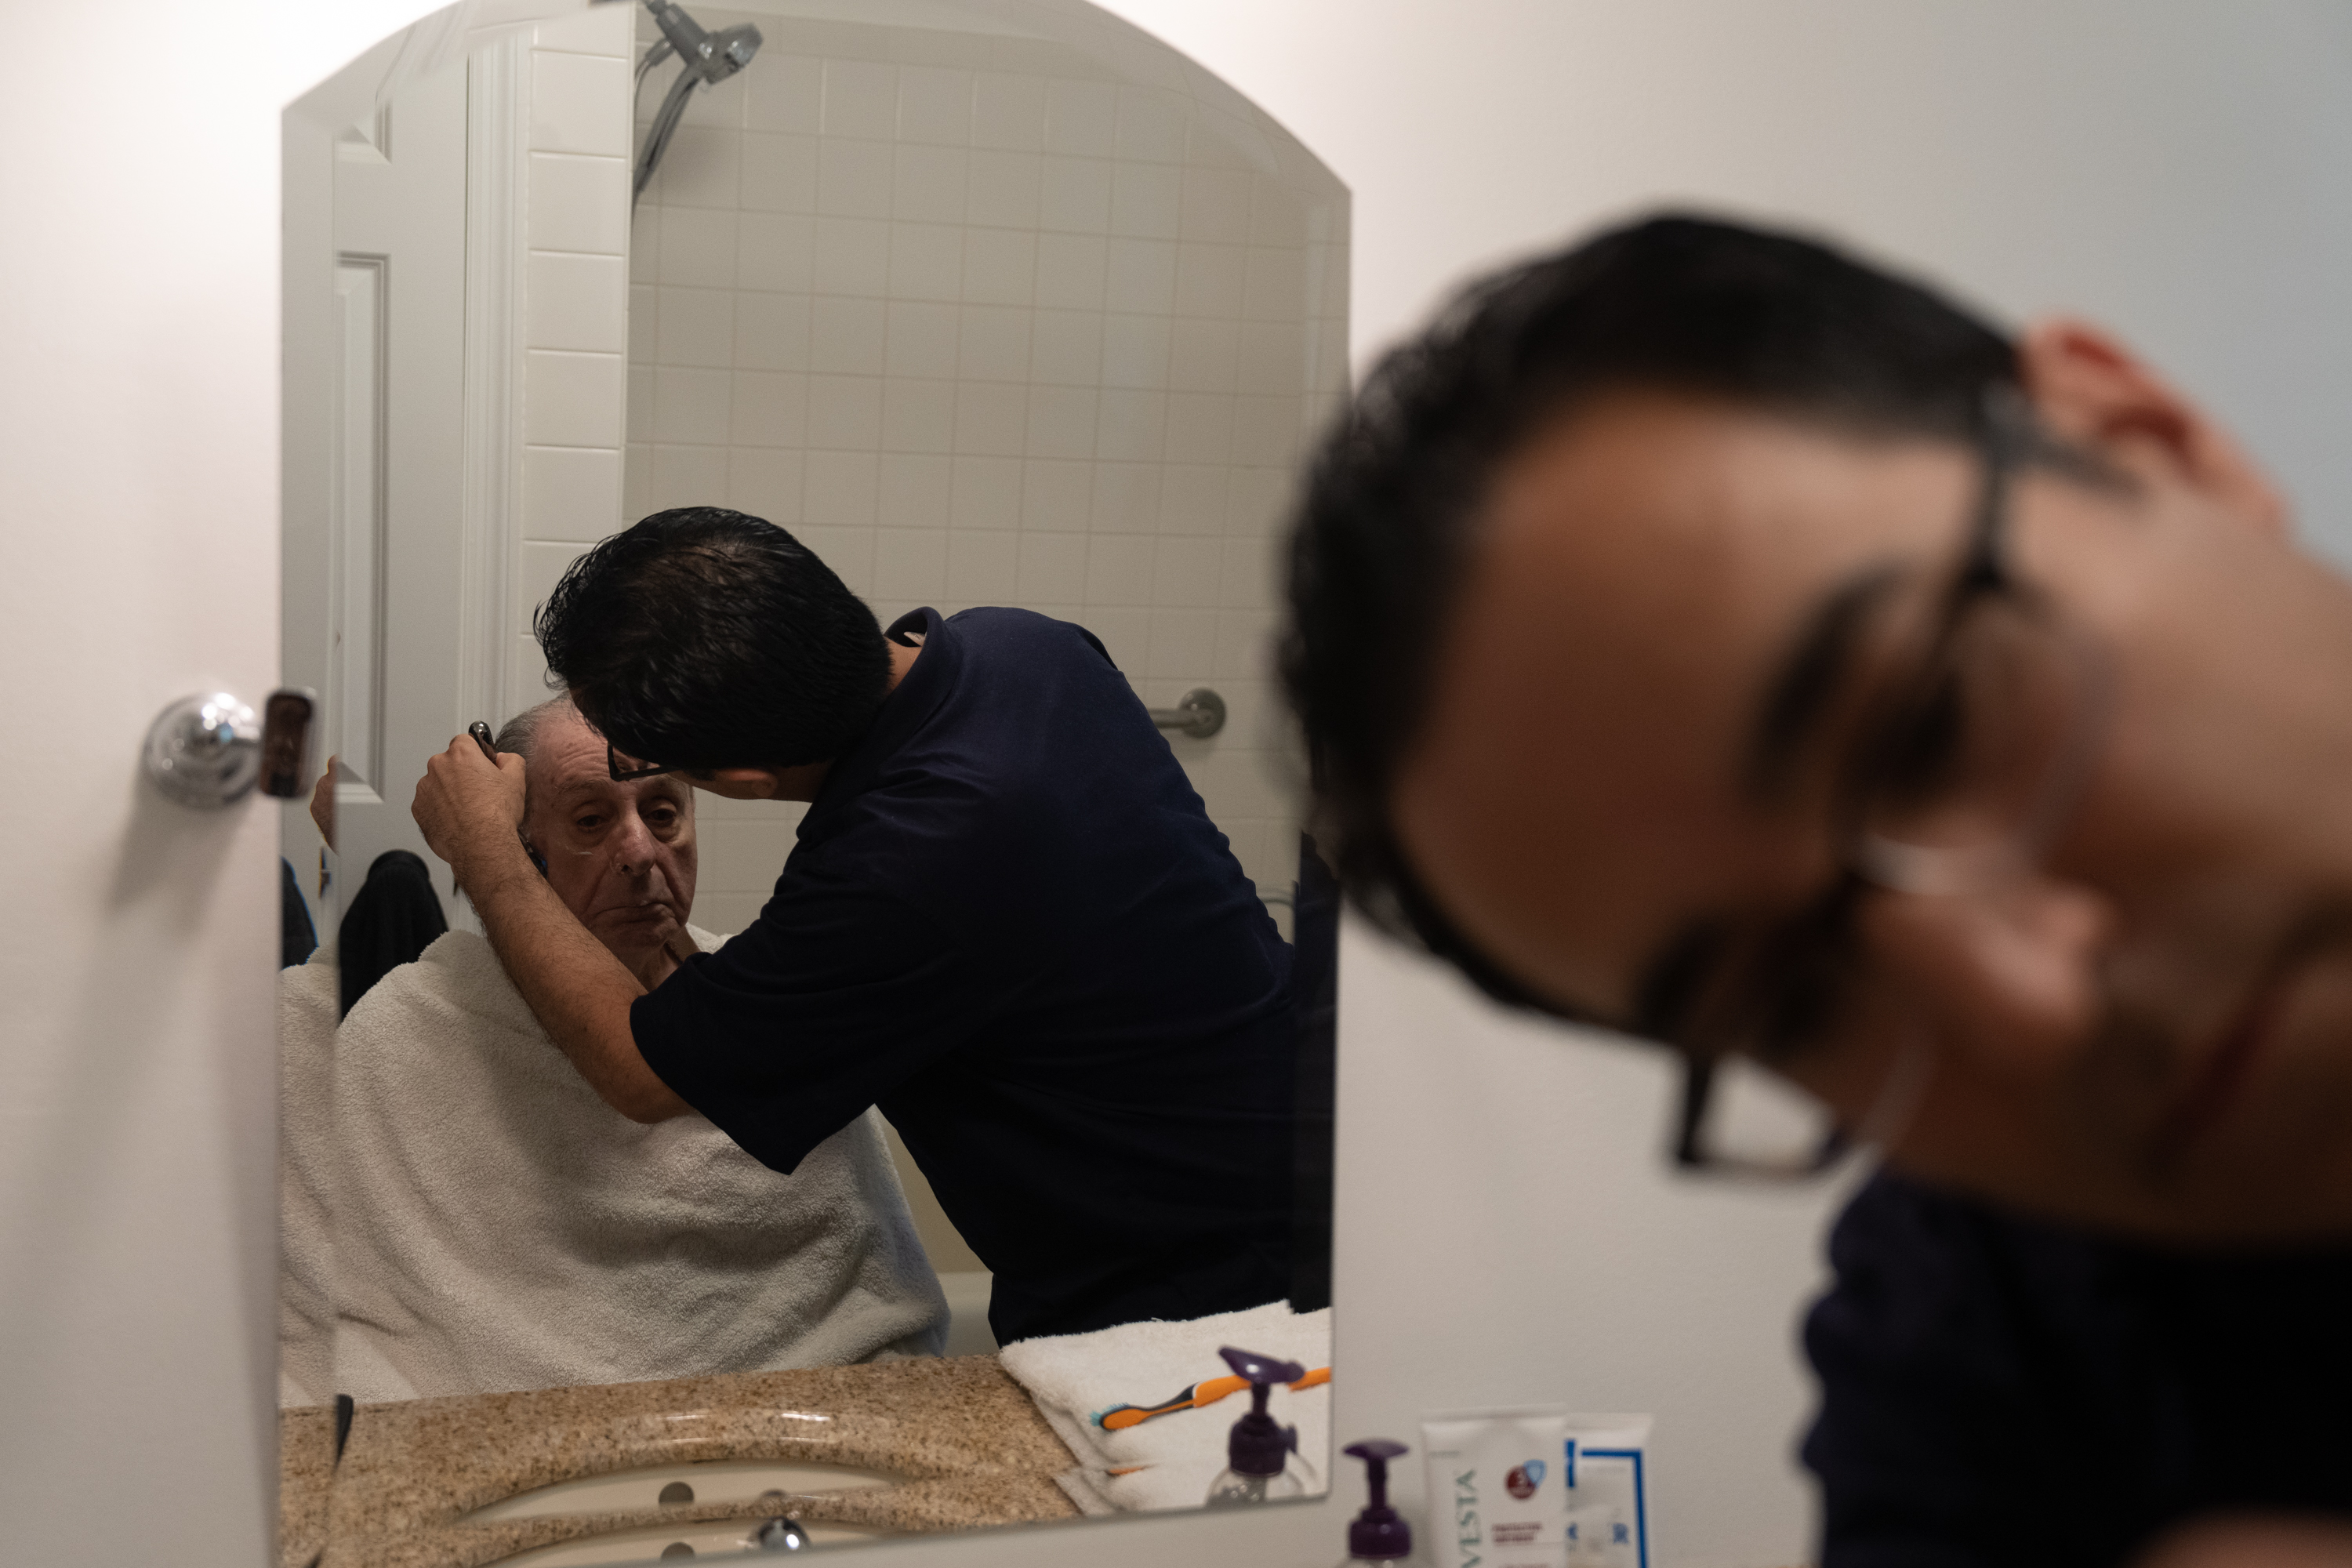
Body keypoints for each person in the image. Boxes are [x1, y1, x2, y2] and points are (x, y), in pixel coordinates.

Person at [1279, 213, 2352, 1565]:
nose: (2030, 1004)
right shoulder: (1969, 1341)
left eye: (1933, 722)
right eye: (1794, 1002)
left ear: (2152, 442)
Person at [412, 509, 1298, 1345]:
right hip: (1310, 1156)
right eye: (592, 817)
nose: (641, 850)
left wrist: (485, 847)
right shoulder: (1028, 643)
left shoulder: (903, 865)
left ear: (746, 780)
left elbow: (643, 1071)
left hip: (1215, 1300)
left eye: (663, 796)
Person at [281, 697, 946, 1404]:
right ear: (518, 848)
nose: (639, 852)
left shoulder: (770, 1004)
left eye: (662, 813)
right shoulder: (417, 1025)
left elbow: (864, 1284)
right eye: (591, 821)